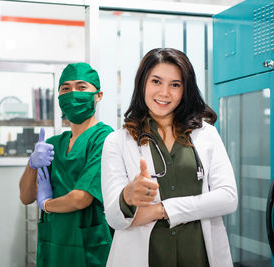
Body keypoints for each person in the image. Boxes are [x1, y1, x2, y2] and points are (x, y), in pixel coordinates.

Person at [101, 48, 238, 267]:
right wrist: (127, 196)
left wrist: (162, 210)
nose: (164, 93)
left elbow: (228, 198)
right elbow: (115, 219)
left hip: (199, 257)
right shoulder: (117, 142)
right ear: (142, 83)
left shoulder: (206, 134)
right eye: (156, 81)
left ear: (185, 89)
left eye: (175, 84)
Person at [19, 63, 113, 267]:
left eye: (81, 87)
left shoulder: (104, 138)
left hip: (87, 246)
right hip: (53, 242)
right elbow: (26, 197)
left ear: (98, 95)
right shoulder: (52, 145)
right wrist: (32, 164)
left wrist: (46, 204)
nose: (73, 94)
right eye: (66, 89)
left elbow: (81, 198)